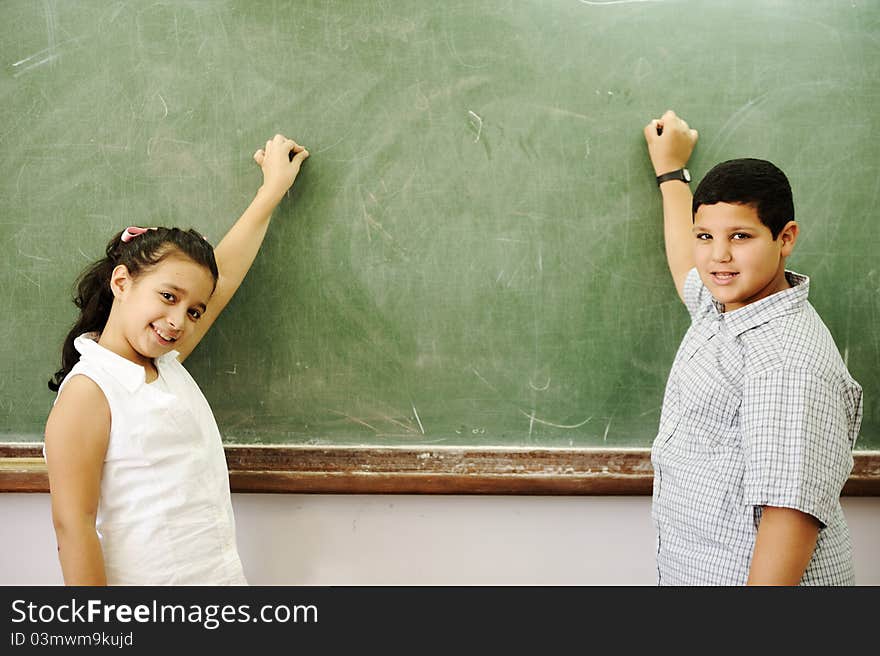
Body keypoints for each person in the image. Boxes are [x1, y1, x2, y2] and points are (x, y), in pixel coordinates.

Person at [44, 134, 309, 585]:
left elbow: (220, 283)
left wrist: (272, 191)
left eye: (193, 312)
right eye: (167, 296)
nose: (177, 320)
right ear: (122, 283)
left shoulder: (165, 365)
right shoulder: (90, 391)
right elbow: (74, 529)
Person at [642, 110, 862, 585]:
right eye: (707, 236)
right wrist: (672, 174)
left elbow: (790, 515)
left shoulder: (786, 362)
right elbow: (689, 268)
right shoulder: (728, 306)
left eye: (740, 236)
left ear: (785, 238)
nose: (718, 255)